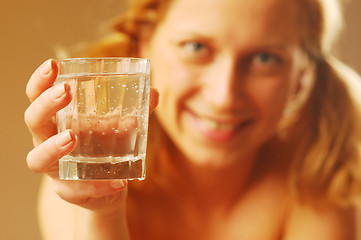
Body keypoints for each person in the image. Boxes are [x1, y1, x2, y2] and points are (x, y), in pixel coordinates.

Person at [24, 0, 361, 239]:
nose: (223, 97)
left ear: (302, 78)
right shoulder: (88, 164)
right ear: (145, 46)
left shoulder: (324, 182)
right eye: (197, 47)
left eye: (264, 58)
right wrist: (102, 213)